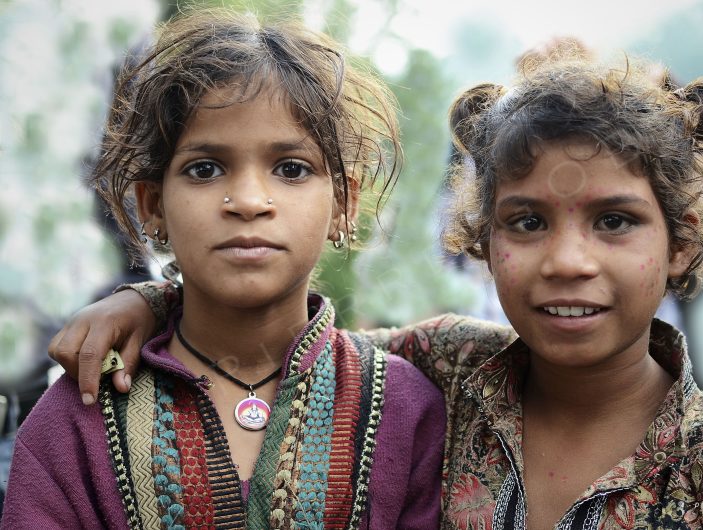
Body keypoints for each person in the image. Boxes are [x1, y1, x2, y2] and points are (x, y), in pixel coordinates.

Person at [45, 45, 703, 528]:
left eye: (614, 222)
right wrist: (145, 300)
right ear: (484, 240)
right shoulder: (449, 368)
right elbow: (272, 340)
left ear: (681, 244)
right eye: (528, 222)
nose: (568, 261)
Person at [0, 8, 447, 530]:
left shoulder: (404, 408)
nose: (249, 201)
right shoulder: (78, 418)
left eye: (291, 169)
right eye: (205, 169)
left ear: (344, 204)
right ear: (153, 206)